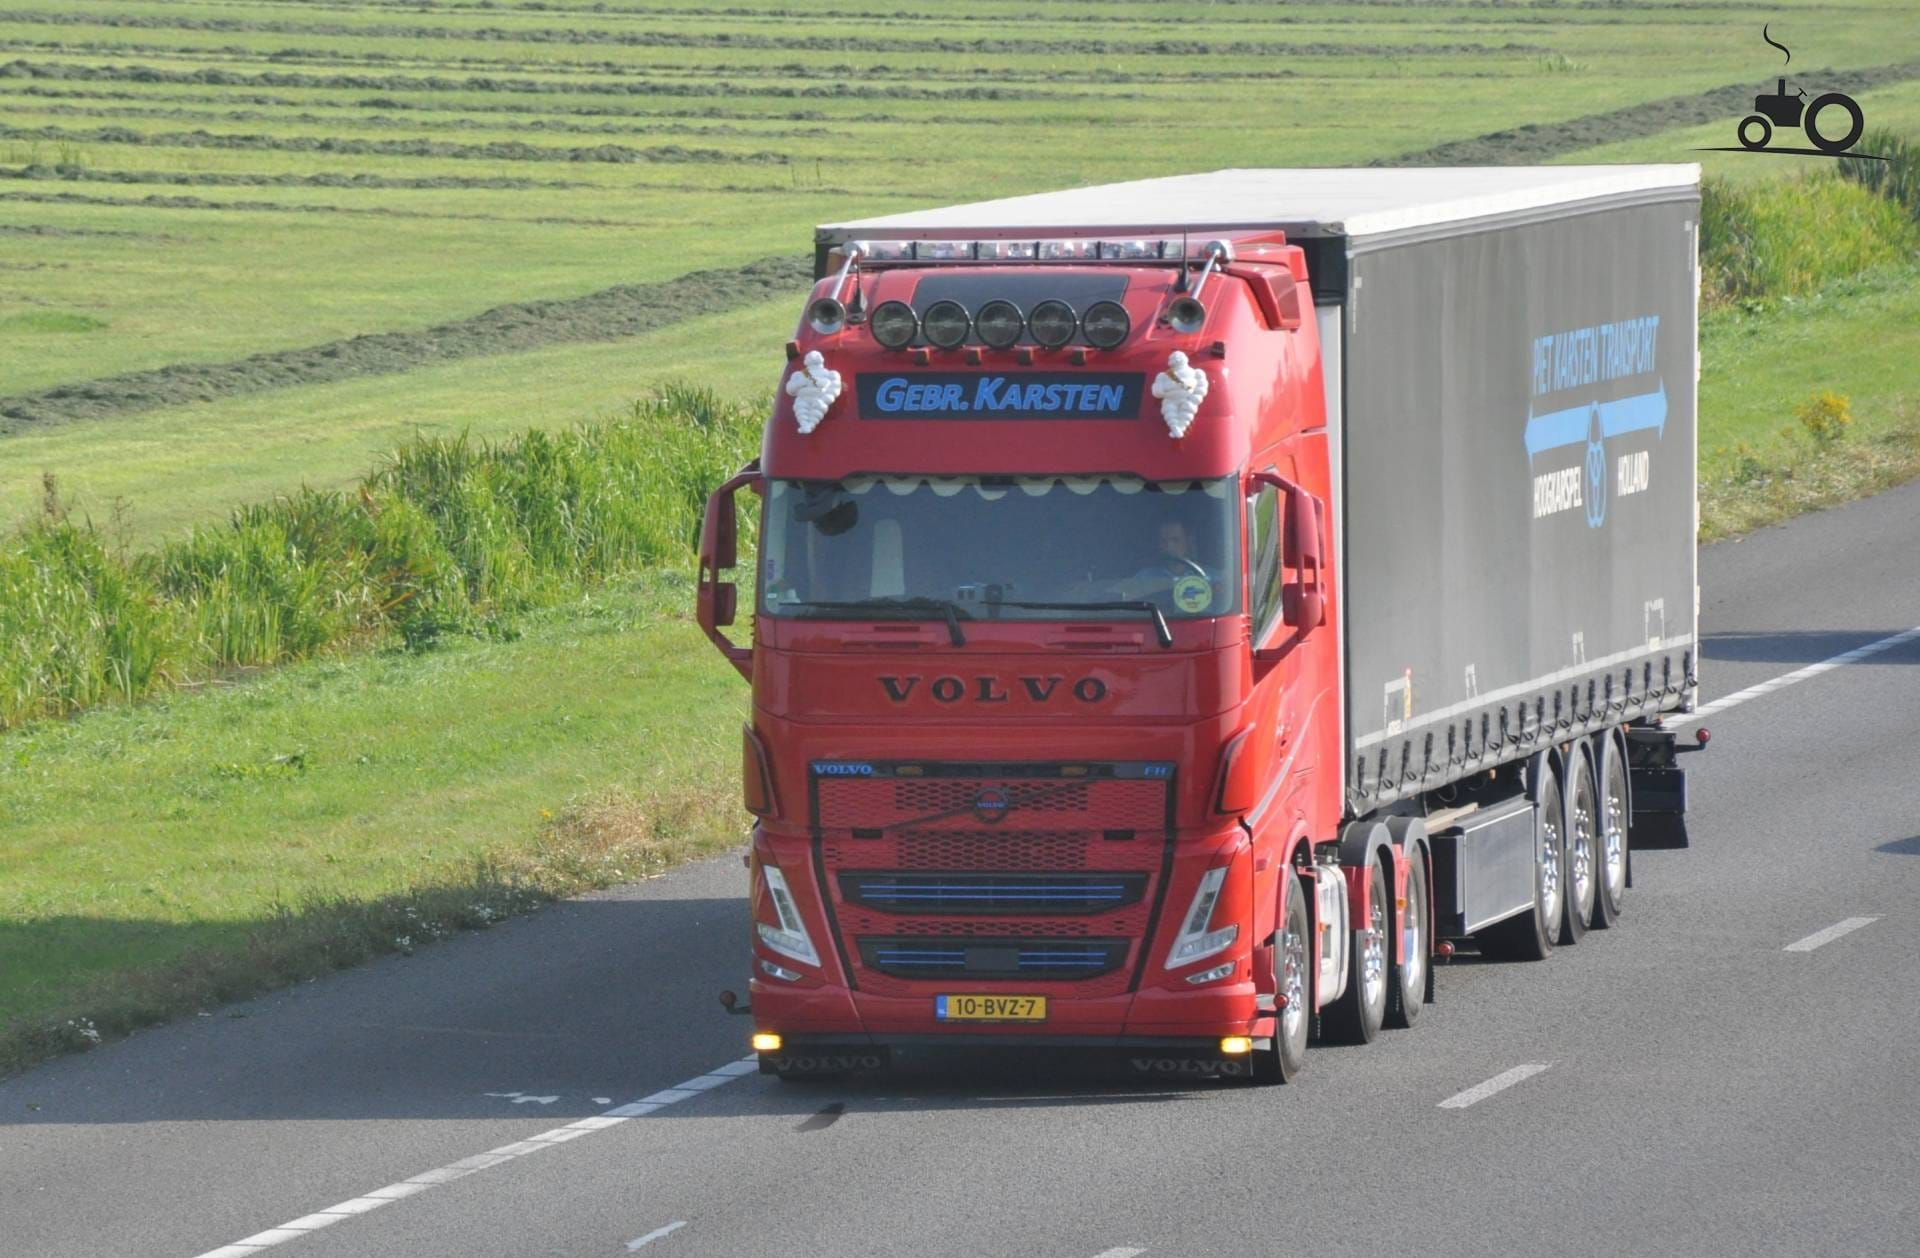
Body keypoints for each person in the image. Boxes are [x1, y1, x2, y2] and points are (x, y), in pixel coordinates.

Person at [1108, 519, 1220, 611]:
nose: (1169, 547)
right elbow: (1114, 597)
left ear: (1189, 541)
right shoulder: (1145, 577)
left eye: (1175, 540)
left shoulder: (1213, 577)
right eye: (1164, 541)